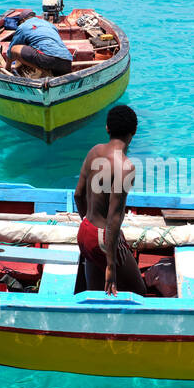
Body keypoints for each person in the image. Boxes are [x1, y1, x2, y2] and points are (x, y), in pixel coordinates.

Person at [74, 105, 147, 296]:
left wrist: (88, 225)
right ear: (134, 132)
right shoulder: (125, 166)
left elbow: (78, 195)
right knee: (139, 291)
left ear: (107, 128)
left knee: (96, 293)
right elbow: (114, 218)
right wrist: (111, 266)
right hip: (103, 238)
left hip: (84, 231)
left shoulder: (94, 151)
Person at [0, 16, 92, 77]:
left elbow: (11, 50)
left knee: (15, 49)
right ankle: (49, 74)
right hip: (66, 61)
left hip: (47, 59)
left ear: (23, 20)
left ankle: (44, 71)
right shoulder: (50, 25)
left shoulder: (23, 26)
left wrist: (7, 69)